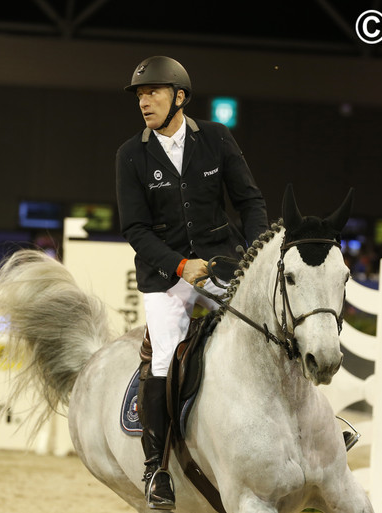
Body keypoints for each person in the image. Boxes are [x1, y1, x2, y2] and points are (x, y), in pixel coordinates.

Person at [115, 55, 269, 508]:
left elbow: (250, 201)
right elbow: (135, 230)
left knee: (273, 329)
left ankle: (321, 430)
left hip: (224, 263)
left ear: (179, 97)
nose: (145, 101)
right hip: (166, 277)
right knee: (163, 354)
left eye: (153, 93)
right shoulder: (130, 155)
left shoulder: (217, 138)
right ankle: (155, 468)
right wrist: (180, 267)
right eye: (141, 95)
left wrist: (255, 258)